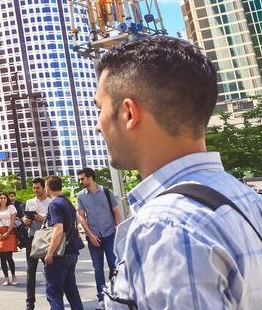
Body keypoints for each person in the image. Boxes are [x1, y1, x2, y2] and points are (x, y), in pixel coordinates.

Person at [94, 37, 262, 308]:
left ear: (128, 113)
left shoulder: (165, 226)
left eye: (99, 108)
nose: (98, 126)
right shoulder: (247, 199)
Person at [75, 167, 121, 308]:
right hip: (93, 236)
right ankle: (101, 297)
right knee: (98, 268)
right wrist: (90, 235)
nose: (80, 181)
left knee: (114, 265)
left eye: (82, 178)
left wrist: (118, 228)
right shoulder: (81, 196)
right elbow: (81, 217)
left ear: (90, 177)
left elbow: (116, 211)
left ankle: (116, 293)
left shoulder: (106, 191)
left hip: (110, 234)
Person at [42, 176, 84, 310]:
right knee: (71, 290)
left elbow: (58, 229)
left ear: (47, 187)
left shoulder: (54, 204)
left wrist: (50, 253)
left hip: (60, 254)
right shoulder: (67, 202)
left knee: (54, 292)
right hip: (72, 251)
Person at [22, 177, 51, 310]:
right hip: (32, 239)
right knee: (30, 272)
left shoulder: (51, 202)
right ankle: (30, 303)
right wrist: (26, 221)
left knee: (50, 271)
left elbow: (55, 221)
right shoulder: (29, 202)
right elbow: (26, 219)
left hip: (46, 240)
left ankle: (54, 298)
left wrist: (42, 218)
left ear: (44, 187)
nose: (35, 190)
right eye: (33, 188)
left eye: (38, 188)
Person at [0, 192, 18, 286]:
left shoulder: (11, 208)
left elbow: (13, 221)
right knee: (2, 257)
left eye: (4, 198)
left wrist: (8, 232)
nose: (3, 199)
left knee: (9, 257)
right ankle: (6, 278)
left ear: (7, 199)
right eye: (1, 198)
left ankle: (13, 275)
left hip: (9, 232)